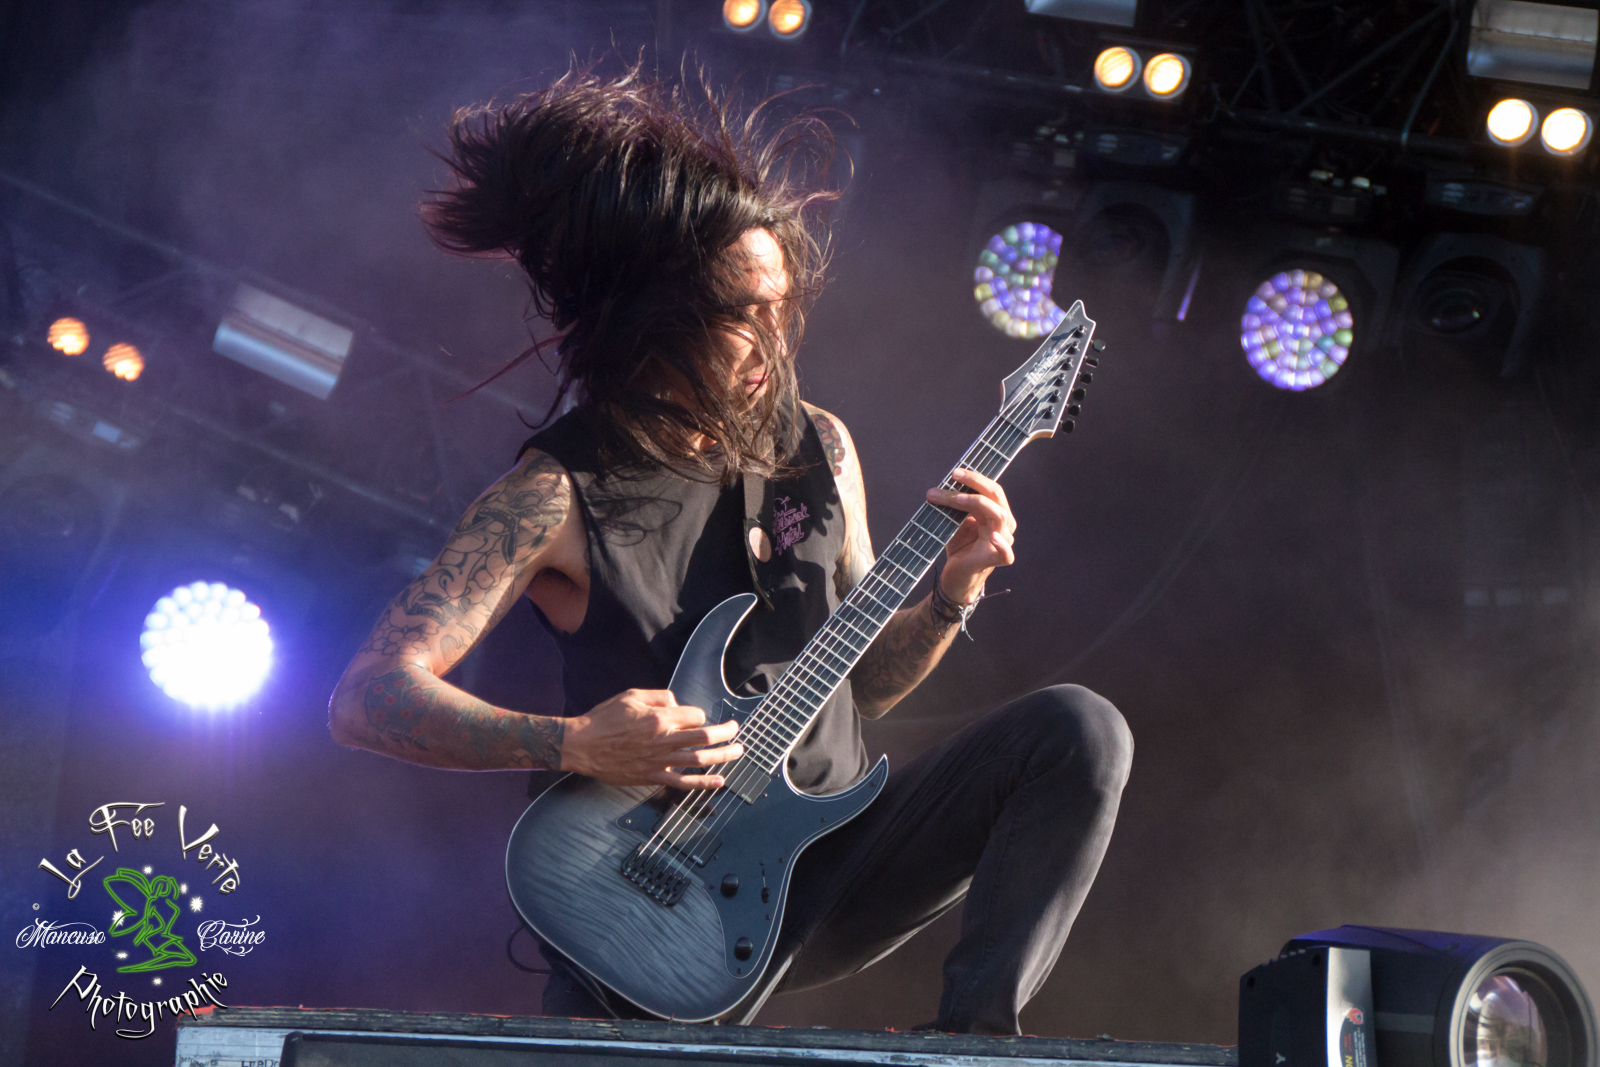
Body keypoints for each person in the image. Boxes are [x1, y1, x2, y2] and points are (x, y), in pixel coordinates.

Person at [328, 63, 1132, 1035]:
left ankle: (973, 1043)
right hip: (646, 890)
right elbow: (368, 696)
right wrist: (574, 741)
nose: (773, 340)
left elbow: (862, 686)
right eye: (740, 313)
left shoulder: (822, 444)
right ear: (656, 316)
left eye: (780, 307)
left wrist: (951, 594)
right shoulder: (556, 494)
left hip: (828, 854)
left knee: (1078, 729)